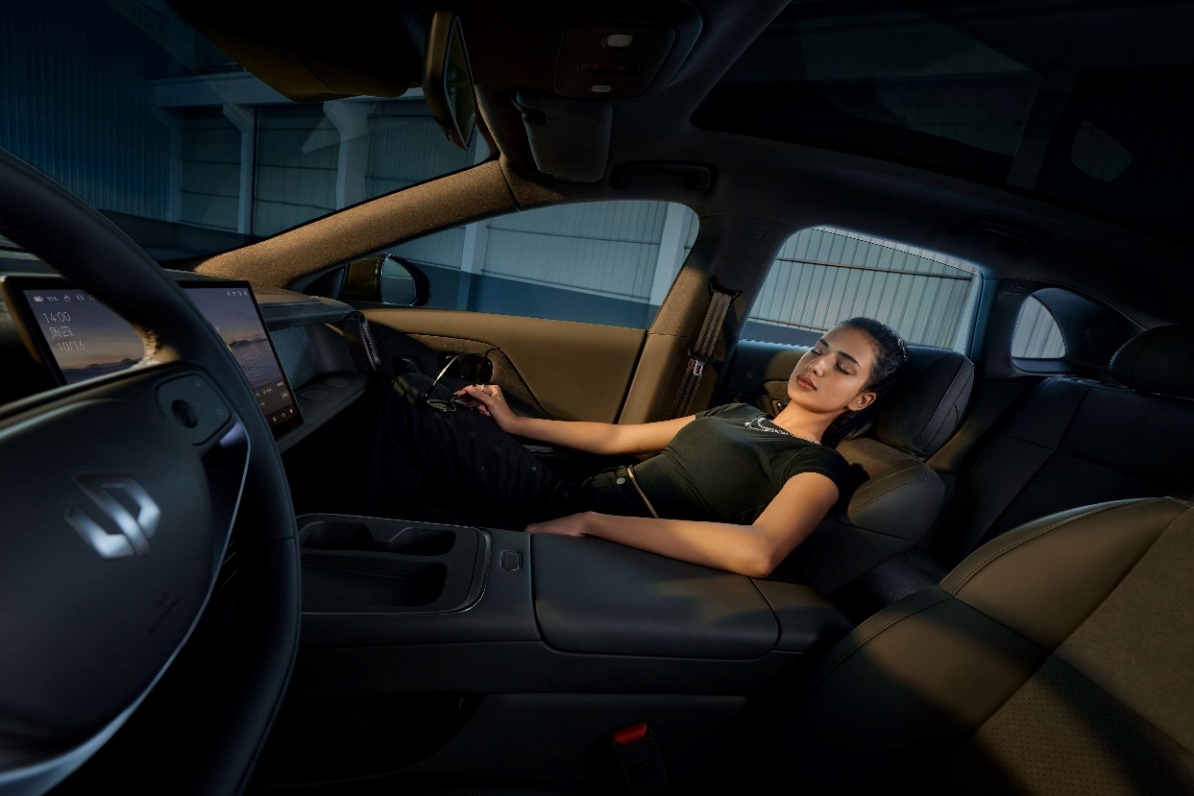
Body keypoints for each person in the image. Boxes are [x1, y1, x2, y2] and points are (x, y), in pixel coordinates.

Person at [377, 317, 907, 578]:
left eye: (842, 367)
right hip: (566, 495)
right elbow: (616, 439)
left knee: (413, 402)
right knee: (422, 395)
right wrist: (516, 423)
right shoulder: (737, 414)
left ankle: (363, 542)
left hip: (606, 543)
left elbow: (760, 551)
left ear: (861, 399)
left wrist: (592, 523)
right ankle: (372, 535)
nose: (817, 366)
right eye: (818, 349)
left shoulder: (818, 465)